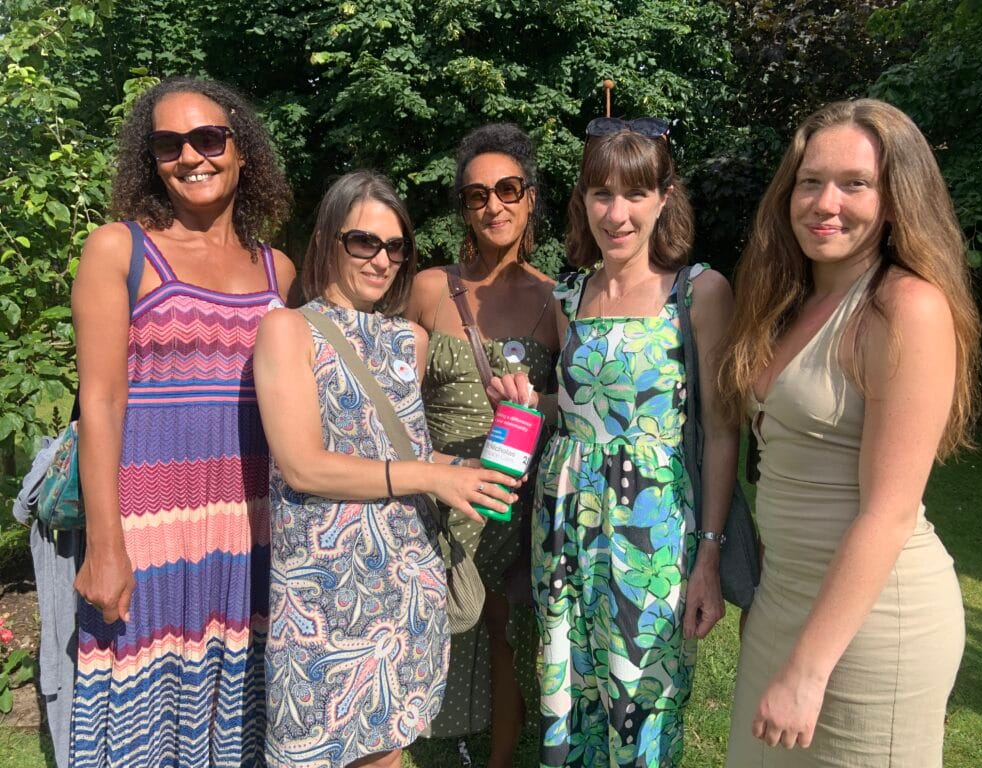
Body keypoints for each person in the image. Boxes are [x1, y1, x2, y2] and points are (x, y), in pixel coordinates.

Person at [719, 98, 982, 766]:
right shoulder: (792, 302)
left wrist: (808, 672)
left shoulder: (905, 309)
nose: (824, 202)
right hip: (782, 606)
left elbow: (890, 512)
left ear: (895, 200)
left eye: (854, 184)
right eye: (810, 182)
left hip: (869, 632)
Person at [253, 170, 525, 768]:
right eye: (364, 242)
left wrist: (503, 435)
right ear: (328, 239)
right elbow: (302, 466)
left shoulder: (409, 341)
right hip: (323, 592)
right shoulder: (287, 329)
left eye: (396, 247)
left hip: (406, 588)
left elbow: (411, 452)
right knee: (312, 751)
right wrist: (433, 477)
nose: (382, 260)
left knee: (387, 756)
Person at [493, 119, 738, 767]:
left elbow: (720, 431)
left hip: (648, 536)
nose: (617, 213)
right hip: (564, 527)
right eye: (601, 194)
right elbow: (576, 408)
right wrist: (528, 400)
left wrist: (708, 557)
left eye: (634, 194)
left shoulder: (698, 293)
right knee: (567, 689)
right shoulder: (568, 296)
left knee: (641, 700)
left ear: (665, 196)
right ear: (583, 201)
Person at [70, 76, 295, 767]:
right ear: (151, 160)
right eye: (169, 144)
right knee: (143, 718)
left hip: (250, 527)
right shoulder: (120, 250)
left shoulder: (278, 271)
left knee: (240, 721)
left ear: (242, 151)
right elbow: (100, 403)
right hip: (149, 530)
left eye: (208, 138)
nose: (191, 156)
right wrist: (105, 545)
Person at [403, 123, 559, 766]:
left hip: (511, 495)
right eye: (476, 195)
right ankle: (408, 734)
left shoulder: (558, 298)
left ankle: (496, 759)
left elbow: (574, 409)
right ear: (463, 208)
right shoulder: (431, 289)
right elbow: (395, 394)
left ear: (530, 198)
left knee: (500, 628)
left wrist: (533, 405)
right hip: (436, 489)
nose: (493, 205)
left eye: (508, 189)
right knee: (423, 620)